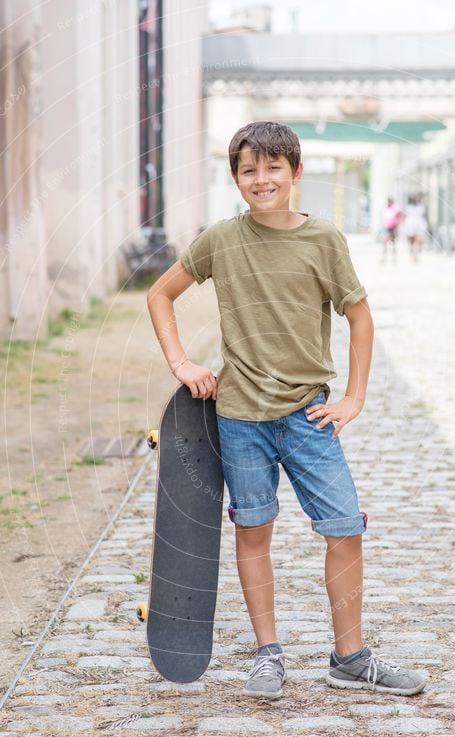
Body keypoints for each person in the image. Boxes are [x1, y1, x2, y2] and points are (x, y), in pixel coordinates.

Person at [147, 121, 426, 700]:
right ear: (236, 179)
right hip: (239, 417)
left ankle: (350, 659)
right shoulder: (220, 240)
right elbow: (160, 294)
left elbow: (360, 316)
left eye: (273, 167)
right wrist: (181, 364)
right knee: (254, 531)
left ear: (296, 173)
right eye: (249, 170)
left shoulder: (322, 240)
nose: (262, 179)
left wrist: (354, 396)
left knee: (345, 530)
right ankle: (266, 655)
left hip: (308, 415)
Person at [403, 194, 428, 262]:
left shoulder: (421, 207)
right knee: (411, 242)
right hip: (410, 227)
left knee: (419, 241)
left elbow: (424, 216)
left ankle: (415, 255)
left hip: (419, 227)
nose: (414, 200)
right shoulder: (408, 207)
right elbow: (404, 217)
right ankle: (413, 254)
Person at [381, 197, 403, 262]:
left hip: (393, 228)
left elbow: (400, 215)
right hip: (387, 228)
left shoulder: (395, 208)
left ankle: (393, 258)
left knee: (392, 243)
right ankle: (385, 258)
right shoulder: (386, 208)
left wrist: (398, 226)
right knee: (386, 243)